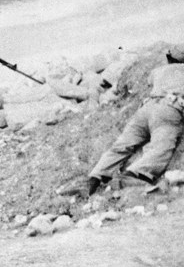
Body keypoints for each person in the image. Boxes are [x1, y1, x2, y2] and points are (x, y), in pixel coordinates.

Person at [59, 46, 184, 198]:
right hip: (168, 110)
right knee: (161, 146)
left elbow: (151, 81)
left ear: (169, 58)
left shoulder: (158, 71)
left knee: (121, 146)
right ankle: (134, 175)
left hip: (145, 109)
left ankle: (93, 179)